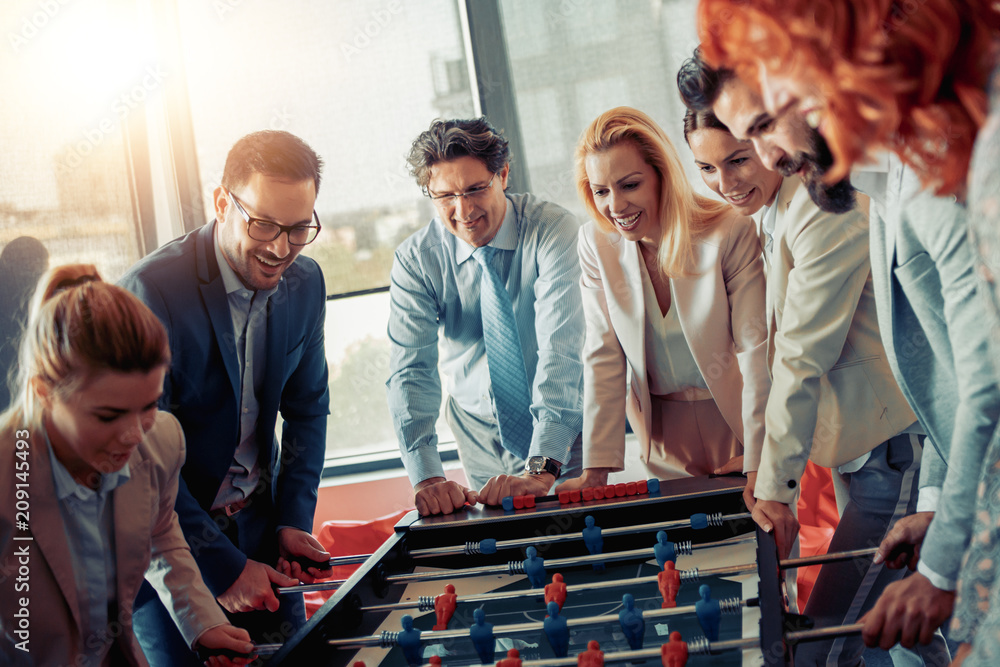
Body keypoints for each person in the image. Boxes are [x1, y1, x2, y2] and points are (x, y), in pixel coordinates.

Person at [695, 2, 1000, 662]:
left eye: (770, 118)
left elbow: (990, 389)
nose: (771, 157)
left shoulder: (946, 159)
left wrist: (944, 566)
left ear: (833, 53)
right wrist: (940, 509)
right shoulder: (884, 185)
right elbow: (947, 376)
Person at [119, 130, 332, 664]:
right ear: (222, 202)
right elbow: (139, 465)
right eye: (263, 224)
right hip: (171, 548)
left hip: (263, 532)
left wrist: (292, 520)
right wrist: (221, 567)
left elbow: (307, 409)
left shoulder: (305, 283)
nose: (281, 248)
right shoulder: (150, 292)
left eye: (299, 228)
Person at [0, 264, 253, 666]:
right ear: (44, 393)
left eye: (149, 405)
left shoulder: (161, 441)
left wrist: (201, 622)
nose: (134, 435)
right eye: (108, 415)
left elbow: (160, 531)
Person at [560, 106, 768, 491]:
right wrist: (596, 470)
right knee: (682, 549)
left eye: (630, 185)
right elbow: (603, 354)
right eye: (601, 191)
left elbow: (756, 348)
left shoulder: (729, 230)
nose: (616, 207)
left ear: (661, 176)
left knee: (760, 540)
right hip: (661, 435)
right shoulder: (596, 243)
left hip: (737, 418)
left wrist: (760, 451)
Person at [387, 117, 585, 516]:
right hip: (476, 430)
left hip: (561, 420)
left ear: (504, 175)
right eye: (445, 196)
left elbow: (561, 351)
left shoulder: (553, 230)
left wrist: (542, 469)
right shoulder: (416, 260)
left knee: (571, 540)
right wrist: (428, 479)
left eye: (476, 189)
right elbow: (411, 371)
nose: (463, 210)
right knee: (506, 550)